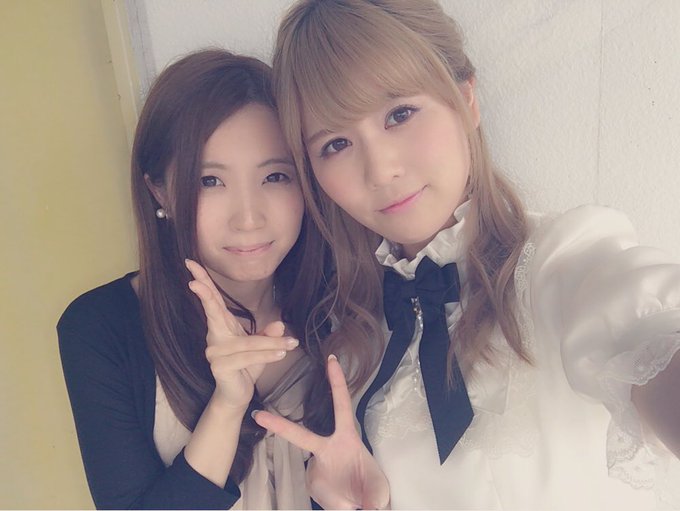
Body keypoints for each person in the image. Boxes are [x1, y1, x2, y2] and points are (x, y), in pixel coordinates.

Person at [251, 1, 680, 509]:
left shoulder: (559, 261)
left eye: (399, 114)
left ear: (466, 100)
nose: (381, 170)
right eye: (336, 144)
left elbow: (644, 329)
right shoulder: (352, 340)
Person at [57, 49, 331, 509]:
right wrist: (227, 406)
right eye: (210, 181)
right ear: (159, 190)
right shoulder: (101, 326)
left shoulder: (345, 300)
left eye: (275, 176)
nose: (249, 218)